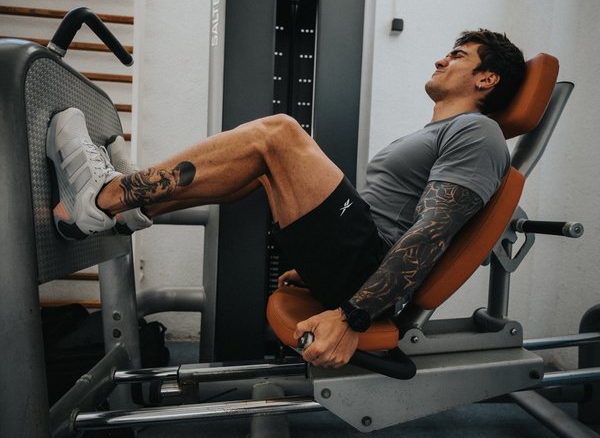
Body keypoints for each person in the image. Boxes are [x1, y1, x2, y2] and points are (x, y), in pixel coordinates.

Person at [46, 29, 525, 369]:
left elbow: (430, 233)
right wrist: (324, 264)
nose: (442, 59)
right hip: (357, 258)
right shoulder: (444, 131)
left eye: (458, 55)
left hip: (366, 265)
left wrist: (353, 313)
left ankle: (103, 195)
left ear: (486, 80)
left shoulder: (478, 132)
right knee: (260, 166)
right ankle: (133, 209)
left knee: (279, 134)